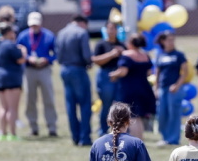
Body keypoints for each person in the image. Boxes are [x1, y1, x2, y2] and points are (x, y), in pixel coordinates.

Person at [16, 12, 58, 137]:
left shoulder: (49, 36)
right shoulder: (23, 36)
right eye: (32, 25)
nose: (34, 27)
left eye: (36, 24)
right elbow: (18, 51)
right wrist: (28, 58)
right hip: (30, 70)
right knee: (30, 99)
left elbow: (56, 53)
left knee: (48, 98)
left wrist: (47, 59)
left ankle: (52, 127)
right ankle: (33, 126)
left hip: (44, 70)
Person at [109, 33, 156, 140]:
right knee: (137, 117)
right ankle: (139, 140)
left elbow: (123, 72)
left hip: (129, 89)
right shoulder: (145, 55)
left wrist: (113, 74)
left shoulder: (126, 55)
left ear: (130, 43)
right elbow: (149, 73)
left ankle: (131, 140)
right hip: (143, 88)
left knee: (128, 116)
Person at [56, 15, 93, 146]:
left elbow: (58, 56)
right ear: (83, 23)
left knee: (70, 105)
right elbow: (87, 56)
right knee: (85, 104)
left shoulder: (61, 33)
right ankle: (85, 137)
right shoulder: (81, 33)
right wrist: (89, 63)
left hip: (65, 69)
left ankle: (75, 136)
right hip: (78, 69)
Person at [0, 22, 27, 141]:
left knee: (3, 107)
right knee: (12, 107)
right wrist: (23, 51)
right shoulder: (10, 45)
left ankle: (2, 133)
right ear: (9, 32)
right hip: (11, 78)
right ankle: (12, 134)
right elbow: (21, 60)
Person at [92, 21, 125, 136]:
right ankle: (102, 129)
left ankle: (119, 129)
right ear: (105, 30)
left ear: (117, 31)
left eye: (114, 29)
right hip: (105, 76)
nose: (111, 31)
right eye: (109, 29)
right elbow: (95, 60)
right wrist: (111, 54)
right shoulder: (101, 44)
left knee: (119, 105)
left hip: (119, 77)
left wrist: (123, 52)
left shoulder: (122, 45)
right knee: (106, 104)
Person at [155, 31, 187, 146]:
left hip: (175, 89)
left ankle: (173, 139)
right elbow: (158, 73)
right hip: (162, 89)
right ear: (163, 41)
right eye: (169, 40)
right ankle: (165, 137)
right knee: (162, 114)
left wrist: (177, 85)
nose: (171, 42)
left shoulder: (179, 55)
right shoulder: (160, 55)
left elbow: (184, 72)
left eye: (173, 40)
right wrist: (156, 87)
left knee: (174, 114)